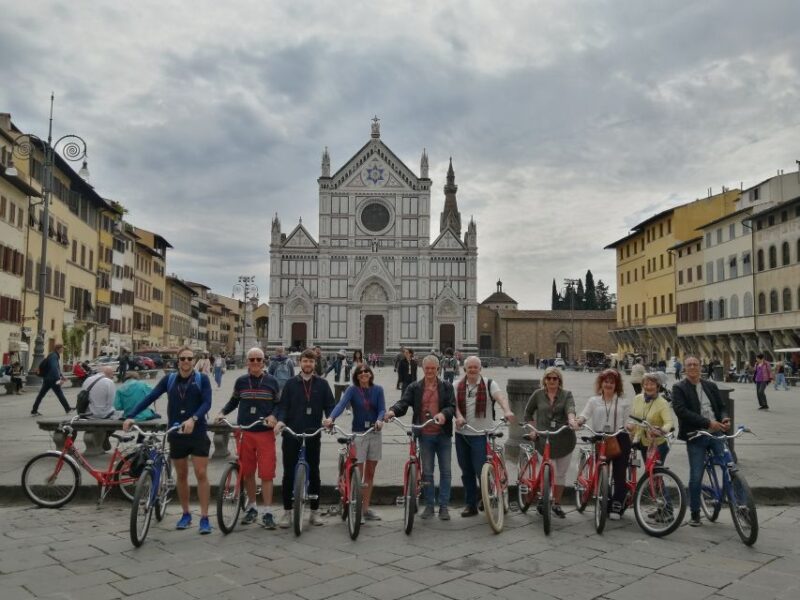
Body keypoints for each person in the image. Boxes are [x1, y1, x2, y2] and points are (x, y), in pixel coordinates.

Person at [123, 346, 214, 534]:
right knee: (181, 476)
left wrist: (194, 419)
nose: (186, 362)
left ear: (194, 360)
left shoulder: (202, 379)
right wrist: (131, 415)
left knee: (201, 473)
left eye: (189, 358)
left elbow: (207, 403)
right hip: (175, 432)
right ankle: (186, 514)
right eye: (183, 359)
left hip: (197, 432)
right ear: (178, 361)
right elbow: (151, 397)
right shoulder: (169, 379)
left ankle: (204, 517)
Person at [216, 347, 283, 529]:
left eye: (258, 360)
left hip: (264, 433)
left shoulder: (272, 382)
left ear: (264, 361)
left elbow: (279, 405)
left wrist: (274, 417)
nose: (255, 363)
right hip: (245, 432)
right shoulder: (241, 382)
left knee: (267, 474)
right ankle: (252, 507)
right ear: (247, 362)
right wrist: (222, 412)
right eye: (252, 359)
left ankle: (268, 511)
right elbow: (234, 401)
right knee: (248, 473)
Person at [385, 354, 455, 520]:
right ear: (423, 369)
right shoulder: (415, 387)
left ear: (438, 369)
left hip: (443, 434)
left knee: (446, 472)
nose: (430, 371)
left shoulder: (446, 386)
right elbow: (404, 402)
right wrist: (392, 411)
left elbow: (452, 406)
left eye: (433, 368)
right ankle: (430, 505)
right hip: (425, 435)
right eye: (427, 368)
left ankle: (444, 506)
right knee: (428, 472)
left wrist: (444, 414)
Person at [274, 348, 336, 529]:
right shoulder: (291, 384)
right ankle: (287, 512)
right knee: (288, 473)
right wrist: (280, 422)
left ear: (315, 363)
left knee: (314, 471)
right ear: (299, 363)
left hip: (313, 432)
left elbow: (330, 405)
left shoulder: (322, 384)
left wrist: (329, 419)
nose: (308, 364)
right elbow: (283, 406)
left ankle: (314, 512)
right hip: (291, 432)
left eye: (311, 361)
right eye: (305, 361)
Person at [671, 355, 729, 527]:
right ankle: (695, 512)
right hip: (695, 435)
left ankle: (742, 505)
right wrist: (707, 422)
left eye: (696, 364)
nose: (693, 367)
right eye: (689, 365)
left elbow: (722, 406)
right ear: (685, 368)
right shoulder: (679, 387)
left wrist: (725, 419)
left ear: (701, 367)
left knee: (730, 468)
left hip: (716, 432)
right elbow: (681, 411)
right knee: (696, 476)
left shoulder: (710, 385)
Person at [453, 356, 514, 517]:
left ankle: (486, 497)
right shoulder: (456, 385)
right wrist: (458, 417)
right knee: (466, 471)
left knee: (481, 470)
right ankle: (470, 504)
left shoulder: (489, 384)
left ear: (480, 369)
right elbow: (453, 406)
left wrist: (507, 410)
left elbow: (500, 397)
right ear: (464, 369)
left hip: (482, 435)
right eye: (469, 367)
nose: (472, 370)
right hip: (462, 434)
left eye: (475, 367)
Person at [324, 364, 386, 521]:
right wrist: (331, 418)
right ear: (356, 376)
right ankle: (355, 507)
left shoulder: (378, 390)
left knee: (370, 473)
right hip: (358, 434)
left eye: (366, 371)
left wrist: (379, 420)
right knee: (357, 473)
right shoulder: (352, 390)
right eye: (360, 372)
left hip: (374, 433)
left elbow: (382, 409)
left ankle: (365, 509)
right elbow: (341, 404)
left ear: (371, 374)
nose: (364, 374)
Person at [523, 366, 578, 518]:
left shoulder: (567, 395)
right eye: (549, 378)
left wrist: (572, 420)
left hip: (564, 438)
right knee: (547, 468)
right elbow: (527, 413)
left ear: (559, 380)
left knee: (560, 473)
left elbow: (570, 408)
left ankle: (557, 503)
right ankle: (543, 496)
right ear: (544, 380)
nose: (552, 381)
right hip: (543, 438)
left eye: (555, 378)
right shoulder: (538, 394)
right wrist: (532, 430)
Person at [576, 369, 630, 520]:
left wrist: (630, 426)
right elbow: (585, 414)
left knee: (619, 474)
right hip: (601, 438)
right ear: (601, 383)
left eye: (612, 382)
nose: (608, 384)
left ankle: (617, 503)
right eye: (606, 381)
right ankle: (605, 500)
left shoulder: (623, 401)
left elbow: (627, 421)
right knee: (602, 472)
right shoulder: (594, 401)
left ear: (616, 385)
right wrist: (579, 421)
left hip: (620, 438)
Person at [628, 372, 674, 465]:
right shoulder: (637, 399)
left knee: (654, 472)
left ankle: (657, 478)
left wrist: (661, 430)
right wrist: (630, 425)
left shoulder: (662, 403)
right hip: (639, 440)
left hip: (657, 443)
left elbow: (669, 422)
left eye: (652, 384)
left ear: (658, 386)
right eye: (646, 384)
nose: (649, 387)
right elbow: (633, 417)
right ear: (642, 386)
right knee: (646, 471)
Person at [31, 343, 71, 416]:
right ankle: (68, 409)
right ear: (58, 349)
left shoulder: (52, 355)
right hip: (53, 379)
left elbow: (57, 368)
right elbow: (53, 368)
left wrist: (62, 376)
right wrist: (59, 379)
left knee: (41, 395)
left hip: (47, 378)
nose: (63, 349)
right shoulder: (54, 356)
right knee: (59, 394)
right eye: (62, 348)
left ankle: (34, 410)